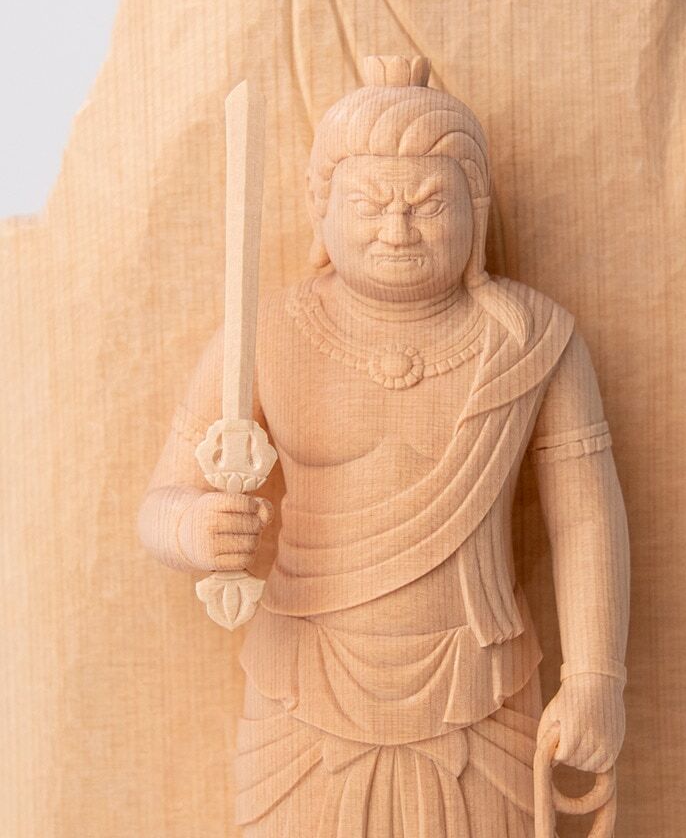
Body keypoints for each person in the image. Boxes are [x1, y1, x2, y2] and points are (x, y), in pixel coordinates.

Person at [139, 54, 630, 836]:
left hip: (480, 680)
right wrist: (196, 528)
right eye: (368, 204)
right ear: (321, 207)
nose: (396, 231)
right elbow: (160, 504)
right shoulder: (265, 334)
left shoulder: (533, 339)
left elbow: (585, 520)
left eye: (430, 205)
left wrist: (597, 677)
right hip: (302, 682)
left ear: (476, 207)